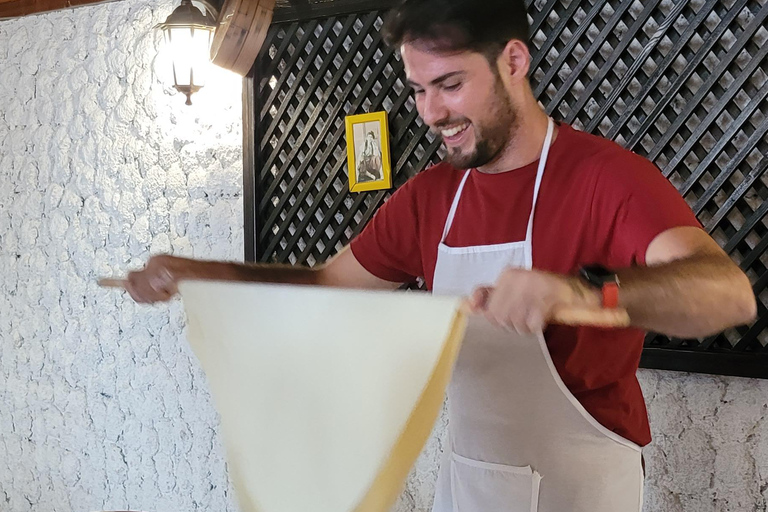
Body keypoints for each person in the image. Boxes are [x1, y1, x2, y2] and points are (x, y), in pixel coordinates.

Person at [124, 0, 756, 510]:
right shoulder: (431, 197)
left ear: (514, 60)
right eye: (420, 89)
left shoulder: (604, 179)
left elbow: (728, 294)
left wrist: (585, 294)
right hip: (469, 484)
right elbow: (326, 286)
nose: (431, 112)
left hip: (582, 489)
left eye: (450, 85)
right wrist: (204, 275)